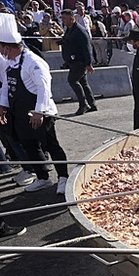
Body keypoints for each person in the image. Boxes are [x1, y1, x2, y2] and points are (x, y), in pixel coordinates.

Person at [0, 14, 71, 194]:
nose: (1, 52)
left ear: (9, 47)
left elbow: (44, 88)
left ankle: (64, 177)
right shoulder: (10, 63)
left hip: (41, 112)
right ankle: (43, 177)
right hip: (21, 112)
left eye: (2, 48)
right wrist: (3, 107)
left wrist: (39, 111)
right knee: (29, 145)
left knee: (51, 145)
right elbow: (6, 86)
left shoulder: (33, 61)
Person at [60, 9, 96, 116]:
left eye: (65, 18)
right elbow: (69, 41)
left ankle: (83, 104)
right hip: (72, 61)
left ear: (72, 18)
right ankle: (92, 104)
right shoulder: (69, 29)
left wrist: (89, 63)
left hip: (79, 61)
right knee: (83, 82)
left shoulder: (80, 30)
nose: (63, 21)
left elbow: (87, 47)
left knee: (72, 80)